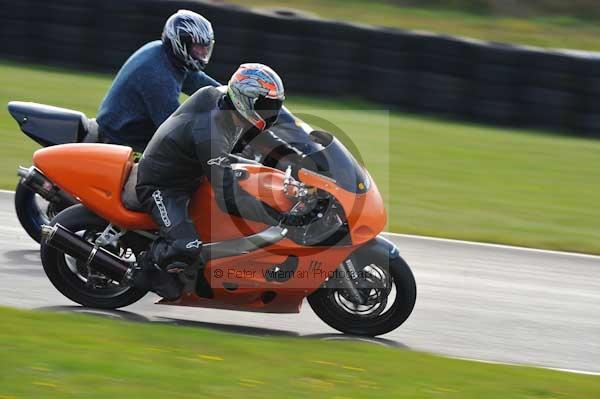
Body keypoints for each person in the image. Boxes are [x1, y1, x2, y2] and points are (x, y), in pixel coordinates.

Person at [133, 63, 303, 300]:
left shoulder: (229, 106)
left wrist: (295, 159)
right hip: (162, 185)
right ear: (246, 100)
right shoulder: (209, 132)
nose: (270, 113)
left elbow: (262, 139)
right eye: (265, 106)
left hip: (192, 173)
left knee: (257, 175)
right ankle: (145, 269)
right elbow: (227, 195)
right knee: (187, 247)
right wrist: (276, 216)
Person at [95, 9, 220, 152]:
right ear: (181, 43)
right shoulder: (158, 76)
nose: (203, 53)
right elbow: (174, 130)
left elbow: (199, 83)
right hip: (119, 143)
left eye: (206, 47)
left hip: (129, 137)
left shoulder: (166, 56)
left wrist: (231, 94)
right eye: (199, 47)